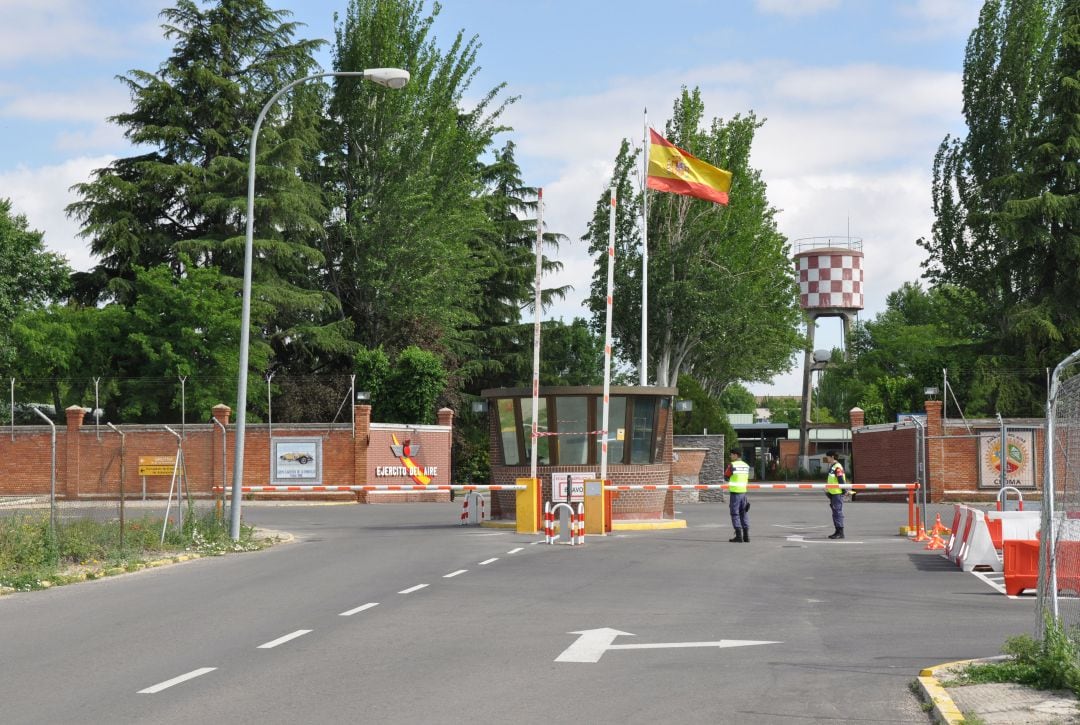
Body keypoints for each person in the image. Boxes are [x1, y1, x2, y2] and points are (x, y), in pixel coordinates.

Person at [725, 448, 751, 542]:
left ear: (736, 455)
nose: (730, 456)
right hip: (743, 493)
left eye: (731, 454)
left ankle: (739, 536)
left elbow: (726, 477)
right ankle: (746, 536)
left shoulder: (732, 465)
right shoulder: (746, 465)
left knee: (734, 513)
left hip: (735, 493)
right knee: (744, 513)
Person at [824, 451, 846, 539]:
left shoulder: (837, 467)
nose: (827, 459)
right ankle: (837, 531)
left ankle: (840, 532)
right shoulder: (833, 466)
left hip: (837, 493)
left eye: (828, 457)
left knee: (837, 512)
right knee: (835, 513)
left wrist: (844, 491)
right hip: (833, 493)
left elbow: (841, 479)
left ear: (832, 457)